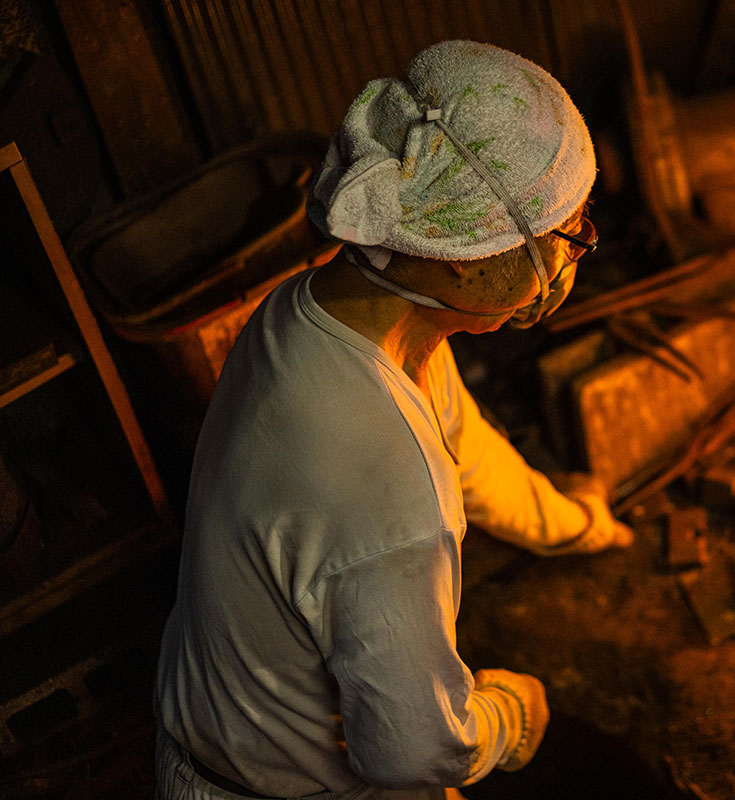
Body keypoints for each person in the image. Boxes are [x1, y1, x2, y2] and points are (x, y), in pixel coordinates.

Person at [154, 40, 632, 800]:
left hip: (217, 734)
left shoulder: (317, 315)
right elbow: (410, 752)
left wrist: (579, 524)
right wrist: (511, 716)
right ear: (464, 261)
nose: (570, 262)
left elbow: (468, 452)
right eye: (565, 237)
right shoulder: (389, 493)